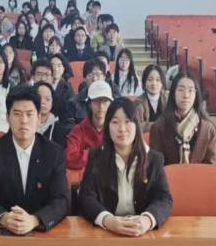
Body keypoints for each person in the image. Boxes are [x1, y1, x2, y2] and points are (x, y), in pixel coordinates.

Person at [0, 86, 69, 234]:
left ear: (39, 118)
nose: (23, 121)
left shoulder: (54, 153)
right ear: (7, 117)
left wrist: (35, 220)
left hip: (43, 234)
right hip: (5, 235)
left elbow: (62, 200)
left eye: (29, 114)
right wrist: (4, 218)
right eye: (17, 114)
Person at [79, 97, 173, 235]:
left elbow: (164, 199)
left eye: (127, 121)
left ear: (137, 125)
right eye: (115, 122)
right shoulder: (96, 157)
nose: (122, 129)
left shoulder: (154, 159)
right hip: (106, 233)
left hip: (142, 233)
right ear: (107, 126)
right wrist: (108, 220)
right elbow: (86, 197)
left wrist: (147, 220)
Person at [149, 72, 216, 165]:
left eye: (190, 90)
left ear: (196, 94)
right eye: (181, 90)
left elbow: (210, 167)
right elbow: (156, 167)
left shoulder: (207, 129)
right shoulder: (159, 127)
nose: (186, 95)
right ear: (173, 93)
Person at [66, 80, 113, 171]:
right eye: (96, 101)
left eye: (105, 101)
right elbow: (69, 158)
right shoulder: (78, 131)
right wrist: (97, 154)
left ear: (110, 104)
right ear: (89, 104)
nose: (101, 106)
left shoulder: (115, 129)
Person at [34, 80, 71, 147]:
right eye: (39, 97)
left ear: (52, 102)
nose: (43, 102)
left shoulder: (58, 129)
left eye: (47, 99)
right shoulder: (26, 124)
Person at [137, 64, 167, 130]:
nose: (154, 83)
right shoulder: (138, 102)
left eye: (158, 80)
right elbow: (138, 126)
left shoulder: (168, 100)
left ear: (162, 83)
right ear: (144, 82)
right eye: (150, 80)